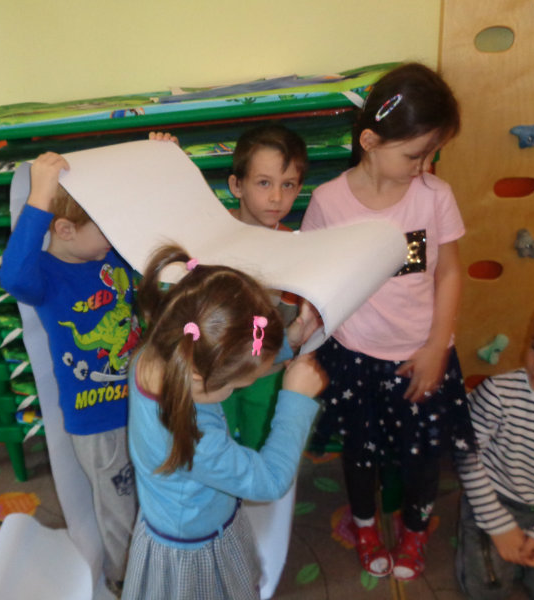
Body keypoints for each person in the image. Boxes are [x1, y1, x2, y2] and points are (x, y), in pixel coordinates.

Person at [300, 62, 475, 581]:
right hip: (355, 358)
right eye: (415, 155)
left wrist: (436, 347)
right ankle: (364, 524)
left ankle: (415, 532)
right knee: (360, 454)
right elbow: (315, 277)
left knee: (422, 458)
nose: (425, 166)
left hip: (421, 354)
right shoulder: (329, 202)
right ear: (370, 141)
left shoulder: (434, 196)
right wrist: (303, 337)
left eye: (432, 154)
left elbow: (449, 272)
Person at [123, 244, 327, 600]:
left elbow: (232, 351)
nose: (235, 390)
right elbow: (270, 481)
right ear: (201, 376)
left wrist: (291, 338)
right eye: (235, 385)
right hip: (195, 550)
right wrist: (295, 400)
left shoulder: (158, 352)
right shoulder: (195, 437)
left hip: (185, 519)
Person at [0, 151, 139, 594]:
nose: (115, 233)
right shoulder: (45, 274)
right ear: (63, 230)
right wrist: (40, 196)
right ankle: (125, 578)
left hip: (145, 405)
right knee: (119, 506)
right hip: (97, 420)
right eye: (104, 226)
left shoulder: (115, 258)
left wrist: (160, 162)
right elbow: (12, 275)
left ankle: (152, 564)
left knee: (152, 496)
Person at [223, 124, 309, 450]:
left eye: (288, 185)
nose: (276, 197)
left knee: (264, 449)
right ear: (237, 185)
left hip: (267, 372)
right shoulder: (212, 232)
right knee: (214, 453)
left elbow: (293, 314)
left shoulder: (294, 248)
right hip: (215, 372)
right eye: (264, 183)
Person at [455, 304, 534, 599]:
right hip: (494, 498)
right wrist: (497, 523)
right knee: (488, 588)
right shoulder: (498, 393)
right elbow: (466, 456)